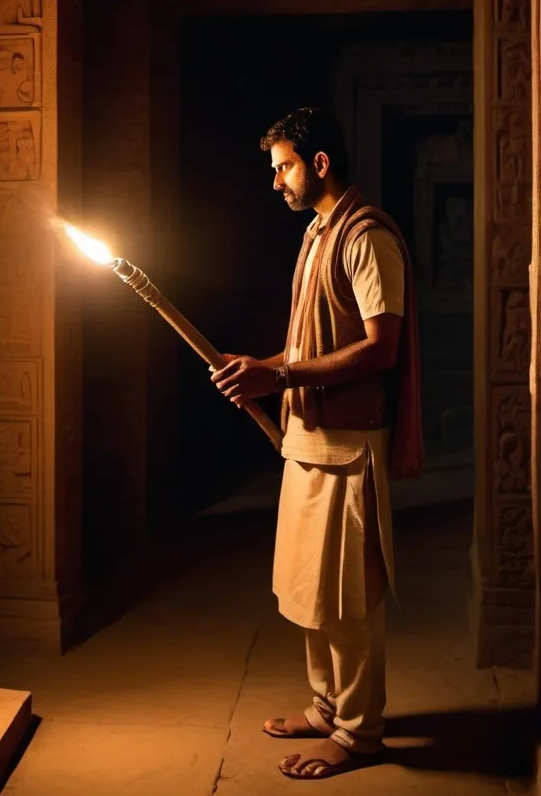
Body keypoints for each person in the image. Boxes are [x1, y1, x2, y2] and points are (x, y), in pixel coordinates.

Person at [211, 107, 424, 780]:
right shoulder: (316, 234)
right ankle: (327, 707)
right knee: (309, 592)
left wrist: (279, 375)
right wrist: (262, 371)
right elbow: (309, 348)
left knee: (346, 599)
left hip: (349, 445)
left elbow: (379, 349)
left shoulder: (366, 238)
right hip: (307, 441)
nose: (276, 182)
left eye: (284, 167)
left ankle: (359, 734)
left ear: (320, 162)